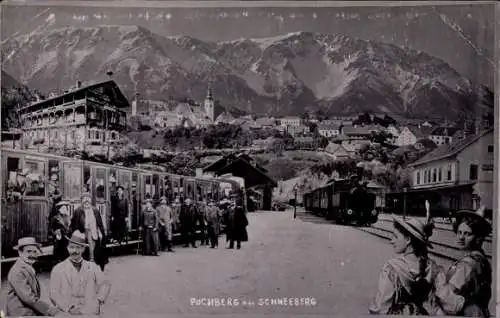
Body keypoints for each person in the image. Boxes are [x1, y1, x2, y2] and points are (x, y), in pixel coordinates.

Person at [369, 216, 443, 315]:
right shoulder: (434, 268)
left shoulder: (391, 268)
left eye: (395, 236)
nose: (392, 241)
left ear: (408, 239)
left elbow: (381, 307)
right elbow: (446, 304)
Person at [434, 206, 492, 317]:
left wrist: (439, 278)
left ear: (479, 237)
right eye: (459, 232)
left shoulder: (467, 265)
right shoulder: (481, 259)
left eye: (467, 234)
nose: (461, 237)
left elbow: (448, 299)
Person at [50, 230, 111, 315]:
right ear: (67, 248)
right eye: (71, 247)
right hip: (67, 312)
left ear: (83, 249)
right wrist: (68, 307)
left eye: (78, 247)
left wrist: (98, 300)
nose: (74, 251)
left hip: (90, 311)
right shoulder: (58, 269)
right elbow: (54, 293)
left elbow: (105, 284)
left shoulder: (92, 267)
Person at [6, 237, 59, 316]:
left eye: (34, 252)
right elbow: (29, 298)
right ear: (20, 253)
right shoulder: (17, 271)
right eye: (29, 251)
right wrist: (49, 310)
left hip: (28, 308)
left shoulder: (27, 266)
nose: (32, 255)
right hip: (20, 312)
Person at [70, 192, 109, 271]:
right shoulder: (78, 211)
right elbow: (74, 224)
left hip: (94, 232)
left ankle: (94, 267)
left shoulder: (95, 210)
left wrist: (101, 233)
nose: (86, 203)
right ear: (82, 202)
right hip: (83, 233)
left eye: (88, 201)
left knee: (96, 251)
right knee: (86, 252)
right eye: (85, 201)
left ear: (90, 202)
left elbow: (99, 223)